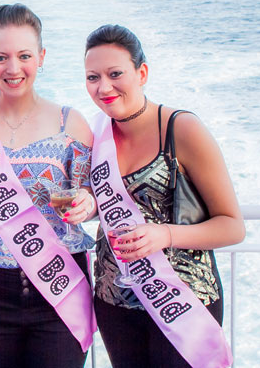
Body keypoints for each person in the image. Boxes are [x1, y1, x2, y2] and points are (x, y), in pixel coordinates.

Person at [0, 3, 97, 368]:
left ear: (41, 57)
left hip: (60, 286)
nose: (13, 68)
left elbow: (94, 197)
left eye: (24, 55)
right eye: (1, 57)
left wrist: (86, 204)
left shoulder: (70, 122)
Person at [84, 24, 245, 368]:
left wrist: (165, 234)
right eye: (93, 77)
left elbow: (232, 226)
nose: (103, 87)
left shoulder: (182, 129)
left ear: (141, 73)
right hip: (115, 302)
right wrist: (86, 205)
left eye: (115, 74)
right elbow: (100, 198)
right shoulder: (96, 135)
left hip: (183, 304)